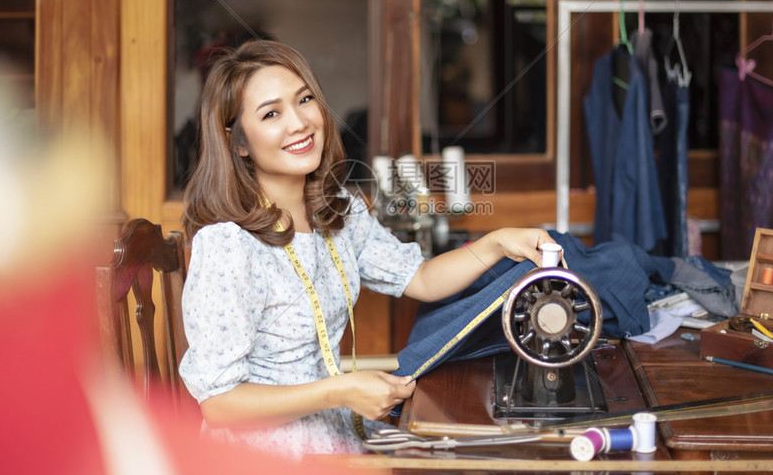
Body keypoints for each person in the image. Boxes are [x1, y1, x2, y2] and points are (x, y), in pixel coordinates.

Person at [179, 38, 556, 459]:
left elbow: (422, 278)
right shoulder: (228, 246)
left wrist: (496, 243)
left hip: (333, 433)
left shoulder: (337, 213)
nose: (300, 122)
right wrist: (339, 390)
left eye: (305, 100)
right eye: (271, 113)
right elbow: (218, 405)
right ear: (239, 143)